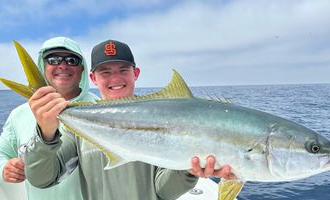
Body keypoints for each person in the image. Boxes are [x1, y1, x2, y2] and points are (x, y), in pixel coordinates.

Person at [24, 39, 234, 200]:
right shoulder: (77, 129)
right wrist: (46, 133)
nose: (115, 79)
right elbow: (42, 179)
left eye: (123, 70)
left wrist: (188, 171)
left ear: (136, 73)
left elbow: (163, 191)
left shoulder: (167, 119)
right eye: (105, 72)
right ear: (93, 79)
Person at [0, 36, 97, 200]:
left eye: (72, 60)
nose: (63, 65)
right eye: (53, 59)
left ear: (82, 69)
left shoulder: (101, 108)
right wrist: (3, 168)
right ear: (42, 66)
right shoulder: (20, 114)